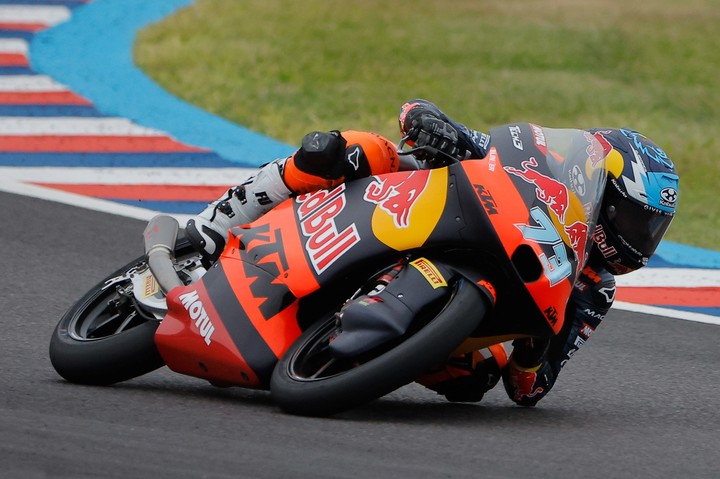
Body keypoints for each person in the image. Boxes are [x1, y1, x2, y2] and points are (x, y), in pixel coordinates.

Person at [185, 99, 680, 407]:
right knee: (352, 149)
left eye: (653, 228)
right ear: (602, 192)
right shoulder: (545, 170)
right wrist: (430, 122)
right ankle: (211, 228)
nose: (643, 239)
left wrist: (535, 348)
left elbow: (529, 390)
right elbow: (431, 119)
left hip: (483, 300)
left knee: (476, 377)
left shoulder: (595, 293)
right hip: (417, 207)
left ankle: (371, 354)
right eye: (637, 219)